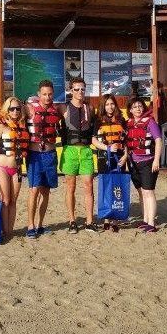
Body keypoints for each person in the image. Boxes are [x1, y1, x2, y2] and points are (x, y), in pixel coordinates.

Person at [59, 77, 100, 233]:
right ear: (71, 90)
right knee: (70, 187)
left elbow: (97, 128)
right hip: (70, 150)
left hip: (86, 150)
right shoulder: (63, 109)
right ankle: (72, 221)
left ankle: (89, 222)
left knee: (89, 185)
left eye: (82, 89)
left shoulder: (90, 109)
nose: (80, 92)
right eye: (76, 89)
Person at [0, 97, 30, 241]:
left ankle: (10, 230)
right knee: (5, 199)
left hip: (17, 167)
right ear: (7, 110)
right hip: (2, 166)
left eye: (18, 108)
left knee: (14, 201)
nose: (15, 111)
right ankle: (4, 231)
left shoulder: (23, 126)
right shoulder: (0, 126)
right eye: (12, 109)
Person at [25, 80, 63, 239]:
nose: (47, 97)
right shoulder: (30, 109)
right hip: (35, 155)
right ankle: (30, 225)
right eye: (44, 94)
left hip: (50, 154)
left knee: (46, 192)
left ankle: (40, 225)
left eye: (50, 94)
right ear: (39, 94)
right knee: (34, 190)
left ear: (53, 94)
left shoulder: (58, 110)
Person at [125, 97, 163, 232]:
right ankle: (145, 220)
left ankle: (151, 223)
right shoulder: (128, 123)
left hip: (148, 162)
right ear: (130, 110)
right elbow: (125, 143)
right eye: (134, 107)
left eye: (140, 106)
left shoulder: (150, 122)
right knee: (141, 192)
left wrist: (156, 160)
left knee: (148, 192)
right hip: (133, 163)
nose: (138, 109)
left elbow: (158, 140)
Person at [92, 93, 127, 233]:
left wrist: (125, 156)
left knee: (117, 187)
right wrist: (106, 147)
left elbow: (126, 141)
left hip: (119, 158)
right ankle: (106, 217)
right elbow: (94, 140)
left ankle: (115, 219)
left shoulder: (122, 120)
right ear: (103, 106)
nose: (110, 106)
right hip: (104, 157)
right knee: (105, 187)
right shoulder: (98, 121)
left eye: (112, 103)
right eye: (107, 104)